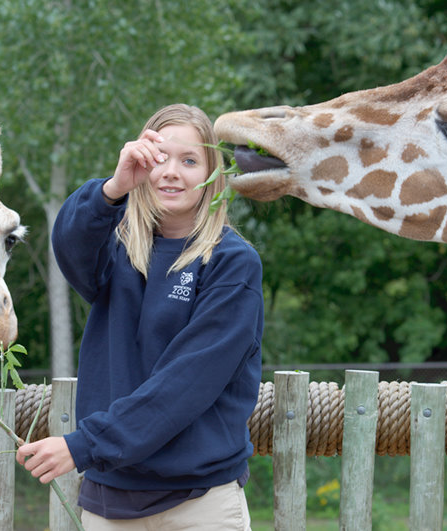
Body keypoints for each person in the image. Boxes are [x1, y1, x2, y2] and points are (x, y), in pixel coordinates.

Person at [16, 103, 263, 530]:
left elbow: (185, 383)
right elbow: (70, 244)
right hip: (108, 505)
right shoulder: (117, 251)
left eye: (189, 161)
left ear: (212, 177)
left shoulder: (232, 263)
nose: (171, 172)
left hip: (199, 504)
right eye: (159, 158)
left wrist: (84, 444)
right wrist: (113, 188)